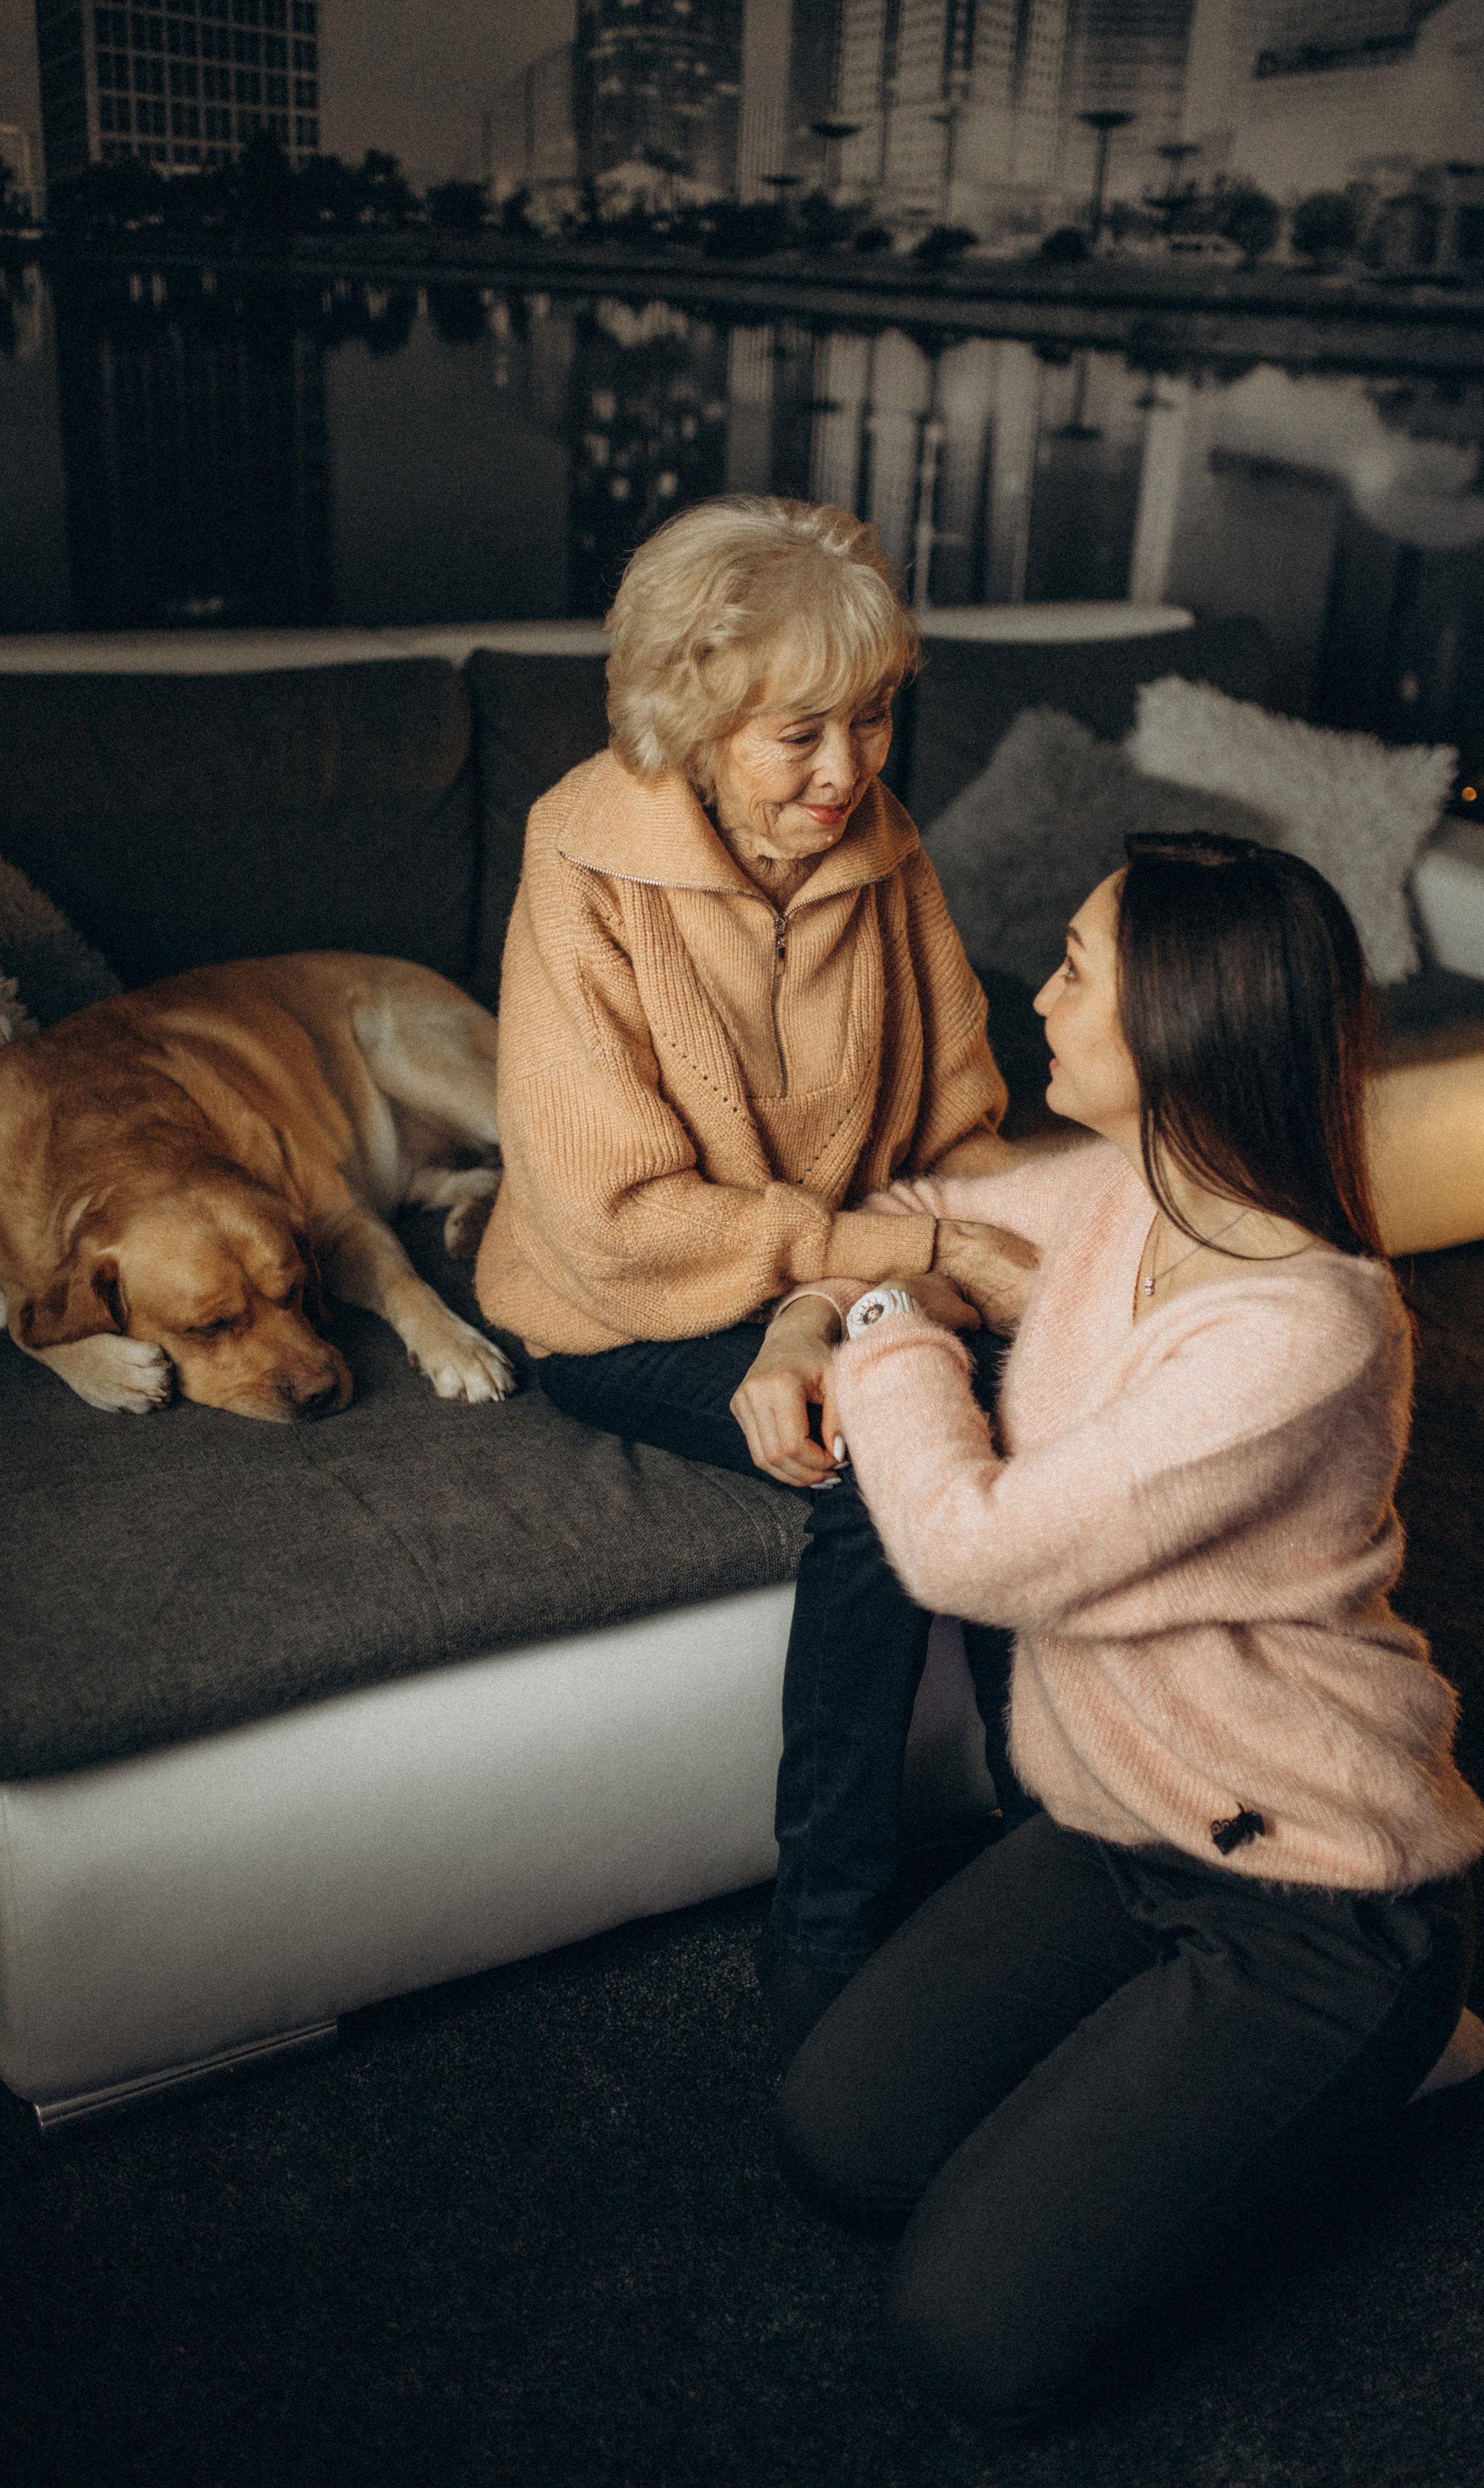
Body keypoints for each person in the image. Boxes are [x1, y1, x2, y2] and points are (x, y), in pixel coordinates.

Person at [772, 831, 1484, 2428]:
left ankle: (1391, 2046)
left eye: (1078, 965)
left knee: (970, 2341)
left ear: (1175, 1015)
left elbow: (966, 1551)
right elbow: (904, 1209)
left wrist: (880, 1327)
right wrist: (801, 1316)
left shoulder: (1299, 1326)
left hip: (1310, 1888)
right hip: (1117, 1826)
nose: (1041, 990)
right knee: (840, 2140)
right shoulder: (1116, 1193)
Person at [474, 496, 1040, 2042]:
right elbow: (616, 1219)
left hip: (821, 1275)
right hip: (615, 1308)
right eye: (797, 734)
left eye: (869, 722)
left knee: (1022, 1399)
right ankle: (829, 1932)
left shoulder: (879, 842)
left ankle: (1074, 1850)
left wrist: (969, 1266)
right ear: (692, 715)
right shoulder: (578, 858)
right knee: (886, 1458)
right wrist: (901, 1258)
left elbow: (959, 1124)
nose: (844, 773)